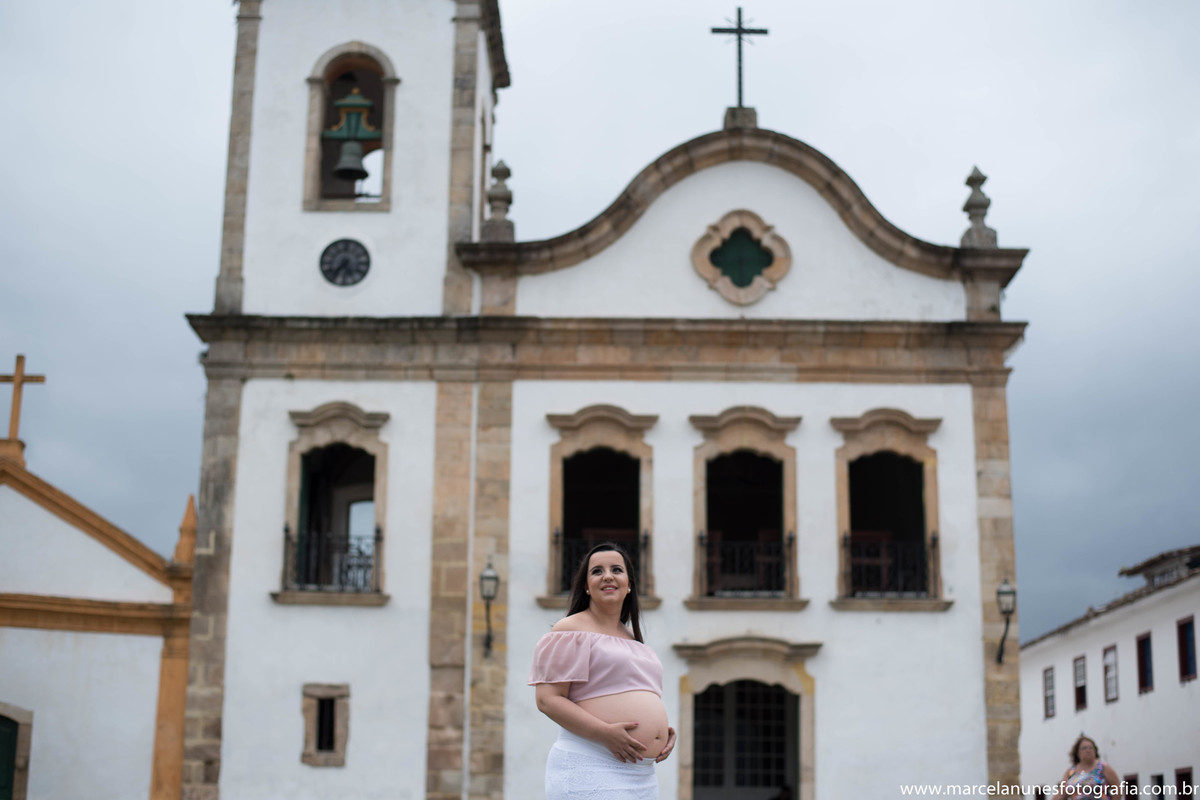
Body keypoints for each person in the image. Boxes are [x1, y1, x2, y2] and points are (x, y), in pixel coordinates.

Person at [529, 542, 676, 800]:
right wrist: (605, 734)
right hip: (592, 762)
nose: (607, 575)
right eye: (597, 571)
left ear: (628, 584)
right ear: (586, 586)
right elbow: (547, 700)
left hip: (641, 775)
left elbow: (631, 695)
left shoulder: (633, 640)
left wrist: (662, 734)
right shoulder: (571, 629)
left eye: (616, 569)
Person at [1051, 735, 1122, 799]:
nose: (1088, 750)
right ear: (1077, 752)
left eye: (1091, 748)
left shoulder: (1103, 767)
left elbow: (1118, 790)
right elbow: (1061, 795)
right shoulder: (1071, 772)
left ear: (1095, 751)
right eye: (1084, 748)